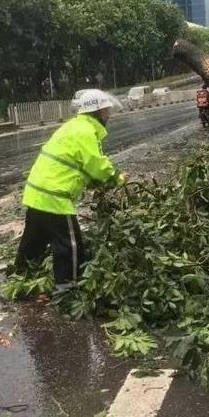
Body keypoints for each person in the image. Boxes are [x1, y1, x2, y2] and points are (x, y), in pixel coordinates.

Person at [14, 89, 125, 290]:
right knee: (70, 246)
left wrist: (92, 183)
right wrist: (117, 179)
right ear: (99, 112)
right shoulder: (86, 132)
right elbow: (97, 165)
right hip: (55, 197)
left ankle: (20, 278)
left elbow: (76, 165)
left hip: (37, 193)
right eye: (107, 111)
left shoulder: (73, 126)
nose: (109, 115)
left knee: (33, 241)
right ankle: (67, 290)